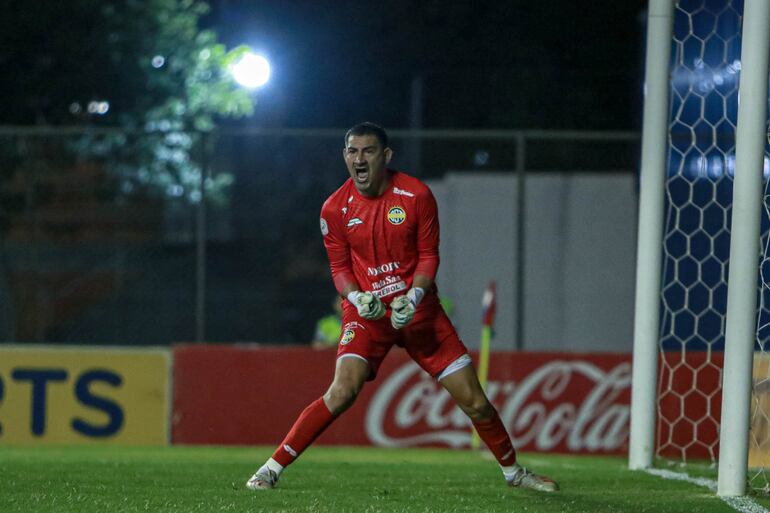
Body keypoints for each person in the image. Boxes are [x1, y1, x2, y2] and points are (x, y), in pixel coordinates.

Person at [246, 122, 558, 492]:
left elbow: (428, 255)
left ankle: (514, 473)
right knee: (342, 391)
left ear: (386, 156)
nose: (359, 159)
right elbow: (340, 268)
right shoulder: (334, 209)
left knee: (475, 402)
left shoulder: (416, 195)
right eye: (352, 151)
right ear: (345, 156)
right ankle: (269, 470)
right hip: (368, 315)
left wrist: (413, 297)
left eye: (368, 151)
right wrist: (357, 297)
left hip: (418, 313)